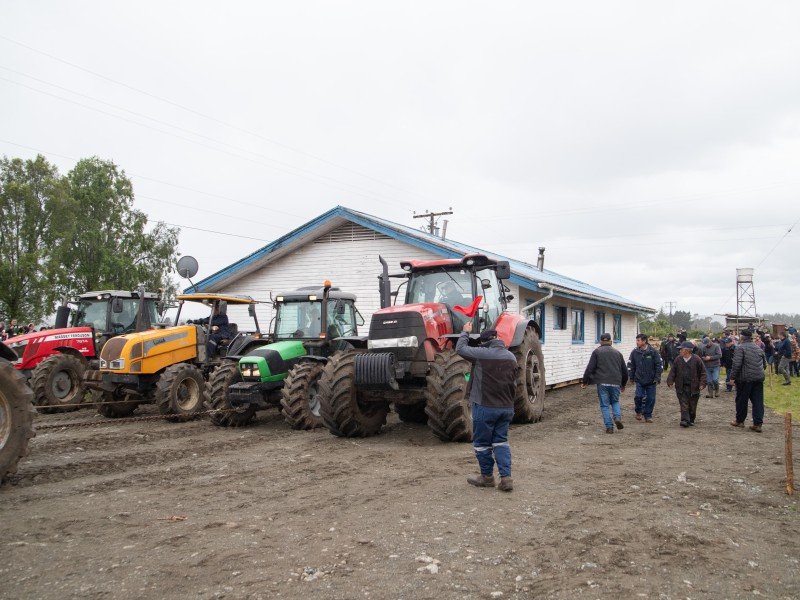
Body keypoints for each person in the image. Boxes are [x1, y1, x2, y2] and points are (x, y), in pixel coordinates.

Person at [456, 322, 519, 492]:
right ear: (497, 338)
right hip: (506, 408)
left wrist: (465, 332)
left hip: (485, 407)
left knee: (482, 444)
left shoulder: (482, 354)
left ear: (484, 342)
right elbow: (514, 382)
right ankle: (506, 478)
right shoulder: (511, 357)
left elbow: (460, 349)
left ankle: (487, 477)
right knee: (501, 442)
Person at [582, 332, 628, 434]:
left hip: (602, 382)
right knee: (615, 401)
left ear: (601, 342)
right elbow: (624, 371)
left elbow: (590, 368)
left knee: (604, 405)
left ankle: (609, 427)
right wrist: (623, 384)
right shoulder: (618, 353)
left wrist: (585, 381)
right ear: (611, 341)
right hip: (615, 382)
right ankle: (617, 417)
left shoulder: (597, 352)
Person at [729, 330, 767, 432]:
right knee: (758, 401)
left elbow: (737, 364)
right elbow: (765, 364)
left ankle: (740, 421)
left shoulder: (740, 348)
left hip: (744, 379)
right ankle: (757, 424)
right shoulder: (758, 348)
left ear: (742, 337)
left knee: (741, 400)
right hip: (758, 378)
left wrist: (732, 377)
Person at [666, 341, 707, 427]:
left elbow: (703, 373)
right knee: (683, 403)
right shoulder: (678, 359)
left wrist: (702, 384)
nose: (680, 351)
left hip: (694, 387)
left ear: (687, 350)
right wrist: (670, 381)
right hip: (681, 386)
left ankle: (691, 419)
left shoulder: (697, 359)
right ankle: (685, 420)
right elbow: (673, 371)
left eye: (681, 349)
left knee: (692, 405)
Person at [628, 334, 663, 423]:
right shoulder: (635, 352)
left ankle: (648, 415)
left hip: (651, 380)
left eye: (638, 340)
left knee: (651, 398)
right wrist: (631, 377)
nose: (637, 342)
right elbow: (631, 365)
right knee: (638, 396)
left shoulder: (653, 352)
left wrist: (657, 377)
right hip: (639, 379)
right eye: (636, 340)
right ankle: (639, 411)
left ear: (644, 341)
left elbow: (659, 365)